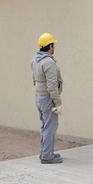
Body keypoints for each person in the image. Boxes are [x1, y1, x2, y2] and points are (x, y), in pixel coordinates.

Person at [31, 32, 63, 164]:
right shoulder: (49, 62)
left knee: (45, 126)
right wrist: (58, 103)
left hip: (39, 97)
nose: (54, 48)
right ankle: (47, 156)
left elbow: (34, 80)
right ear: (49, 46)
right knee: (50, 127)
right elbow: (52, 86)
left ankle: (46, 152)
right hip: (48, 98)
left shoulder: (35, 60)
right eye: (53, 45)